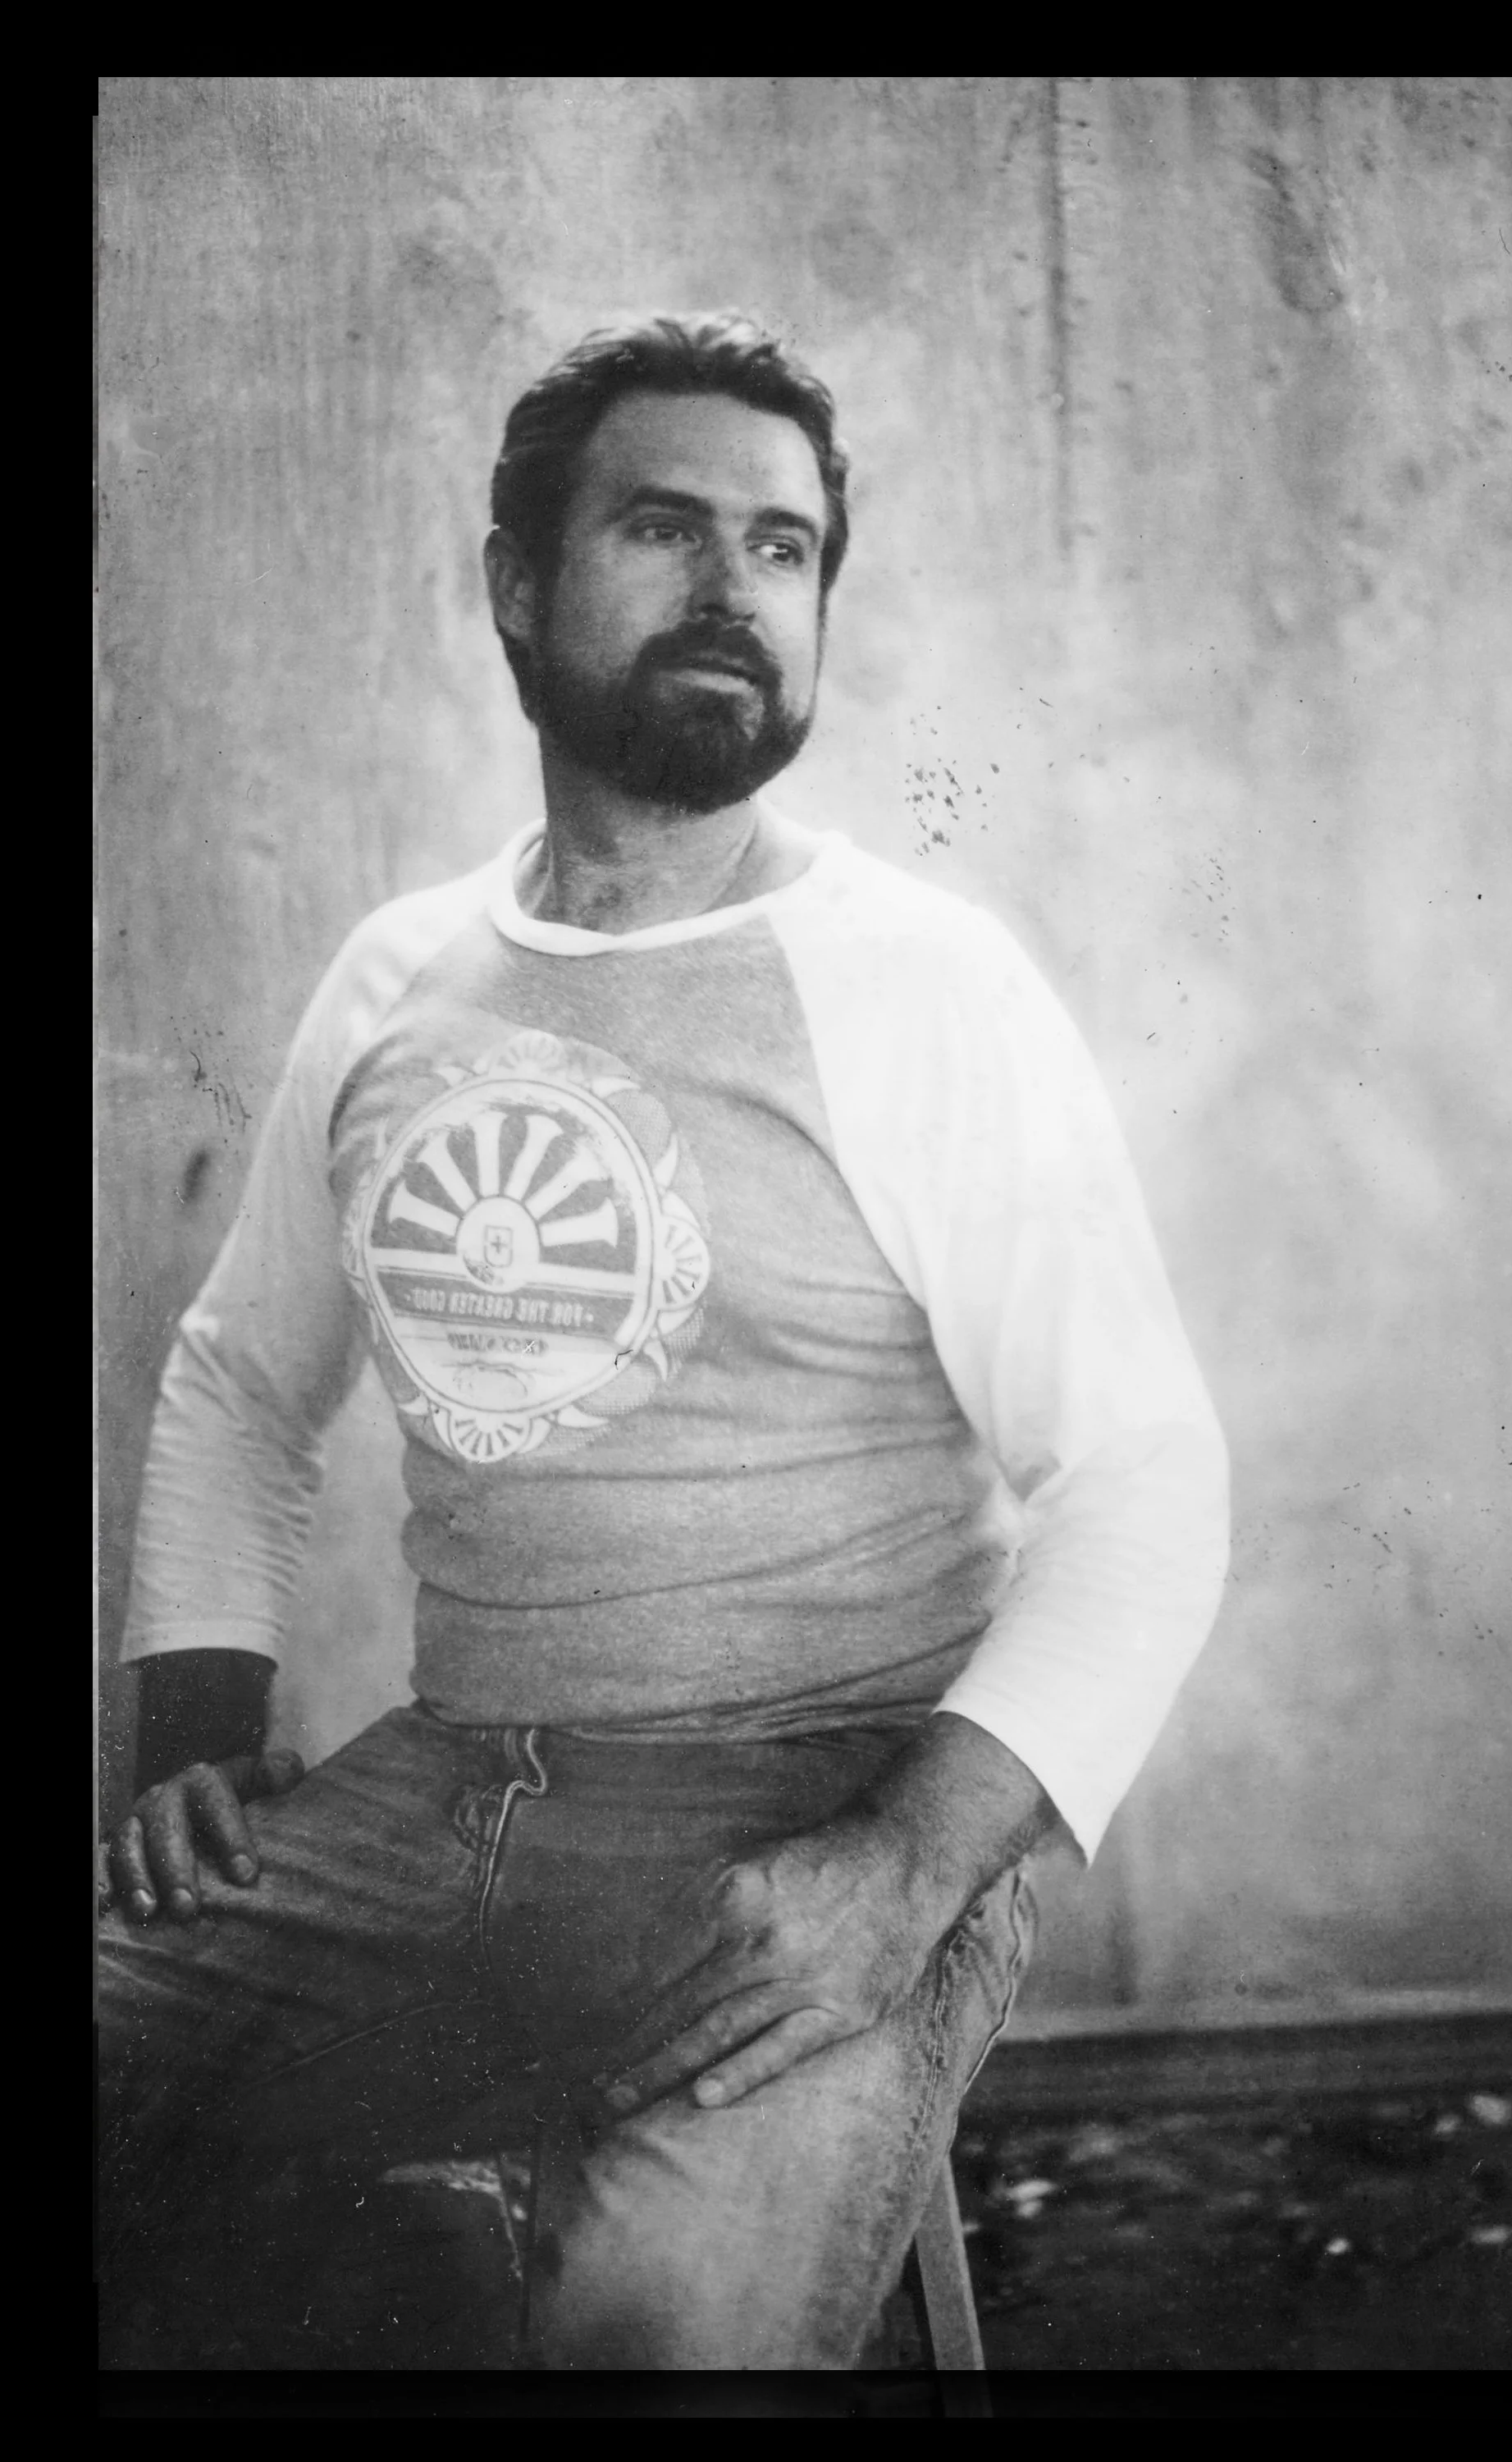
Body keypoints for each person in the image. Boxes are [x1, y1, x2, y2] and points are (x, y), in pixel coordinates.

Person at [98, 310, 1230, 2370]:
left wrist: (904, 1873)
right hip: (437, 1797)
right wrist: (186, 1737)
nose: (735, 589)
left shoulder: (921, 983)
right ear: (518, 586)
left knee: (659, 2333)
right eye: (665, 528)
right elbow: (243, 1380)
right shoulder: (398, 979)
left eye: (784, 550)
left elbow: (1145, 1482)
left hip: (821, 1817)